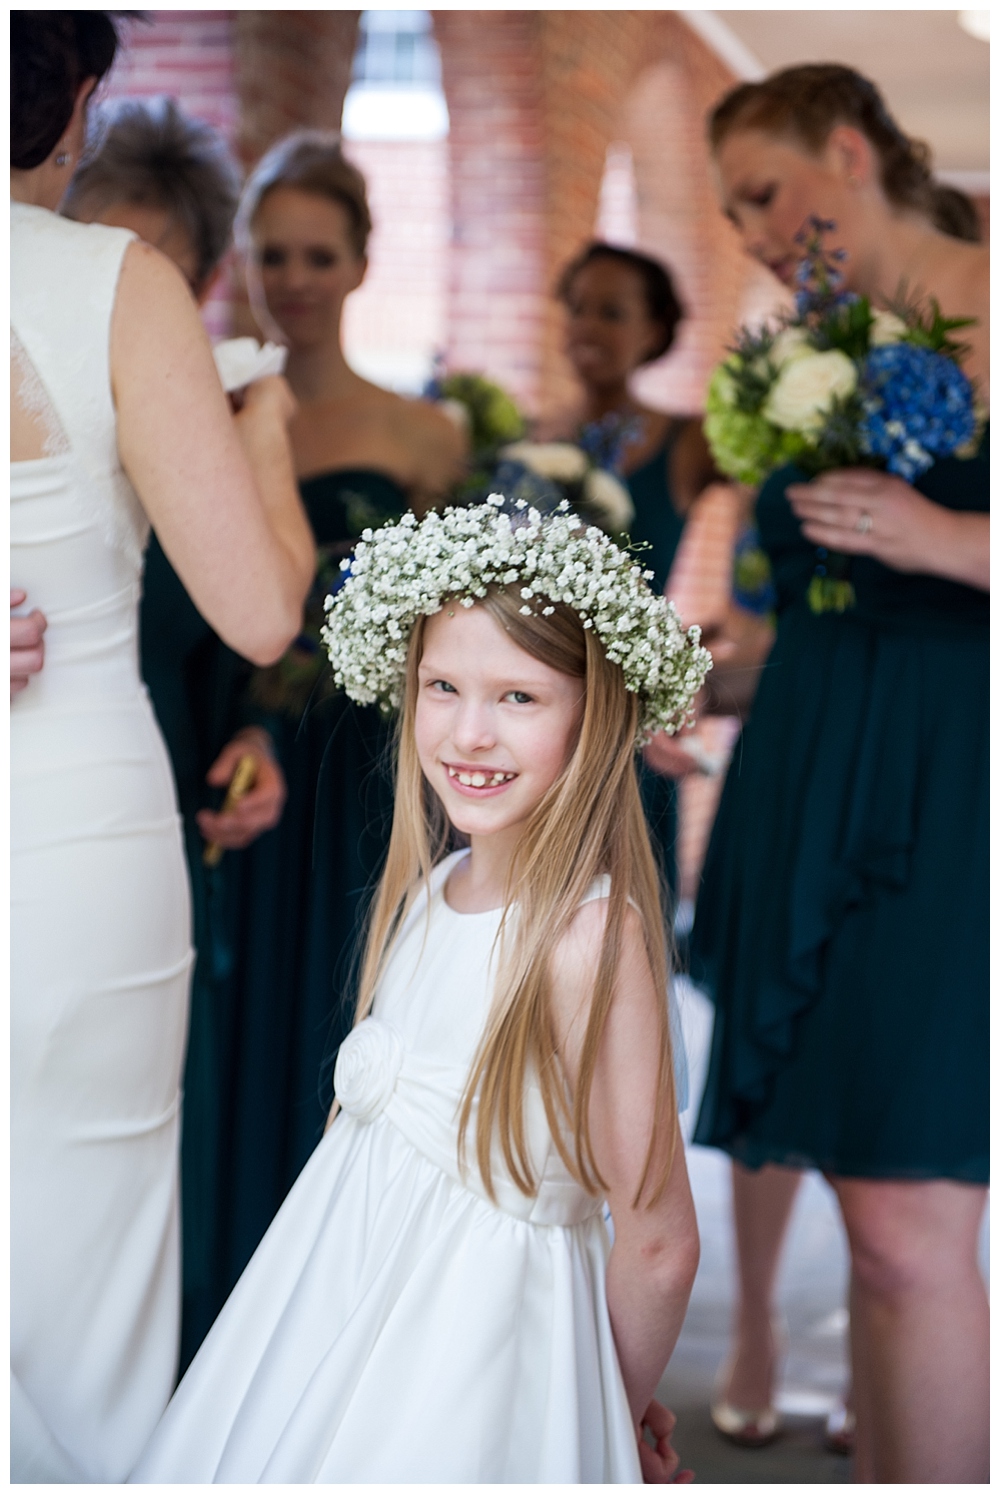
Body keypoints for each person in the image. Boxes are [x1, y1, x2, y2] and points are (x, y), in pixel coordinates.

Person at [132, 496, 704, 1482]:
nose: (469, 733)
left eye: (519, 699)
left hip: (482, 1379)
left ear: (595, 711)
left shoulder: (582, 942)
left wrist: (600, 1407)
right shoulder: (435, 888)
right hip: (333, 1319)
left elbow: (657, 1242)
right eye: (442, 686)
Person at [11, 12, 314, 1482]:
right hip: (78, 837)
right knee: (95, 1276)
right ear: (73, 110)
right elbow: (261, 608)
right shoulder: (114, 286)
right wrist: (257, 438)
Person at [688, 64, 988, 1482]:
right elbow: (810, 593)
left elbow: (913, 560)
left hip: (942, 790)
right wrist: (682, 682)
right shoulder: (817, 344)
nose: (751, 228)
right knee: (871, 1230)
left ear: (850, 151)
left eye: (764, 190)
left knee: (909, 1223)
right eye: (732, 207)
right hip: (806, 773)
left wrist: (951, 545)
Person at [206, 130, 467, 1303]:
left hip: (360, 767)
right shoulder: (200, 408)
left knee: (342, 1012)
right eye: (275, 255)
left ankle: (336, 1300)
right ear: (244, 265)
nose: (297, 279)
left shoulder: (424, 437)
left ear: (361, 264)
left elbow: (446, 630)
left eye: (320, 254)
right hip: (226, 746)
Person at [61, 93, 291, 1371]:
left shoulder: (233, 407)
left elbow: (265, 627)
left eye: (141, 263)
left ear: (194, 278)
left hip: (172, 781)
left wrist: (254, 739)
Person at [543, 242, 721, 895]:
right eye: (579, 309)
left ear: (652, 332)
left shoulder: (690, 440)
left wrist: (730, 630)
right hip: (537, 708)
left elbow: (775, 511)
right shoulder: (528, 440)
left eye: (612, 313)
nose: (588, 327)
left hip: (628, 720)